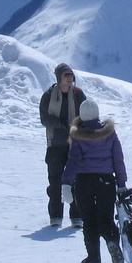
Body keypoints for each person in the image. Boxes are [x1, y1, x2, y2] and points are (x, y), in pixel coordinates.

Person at [61, 99, 128, 263]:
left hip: (84, 182)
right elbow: (118, 159)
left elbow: (73, 161)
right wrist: (121, 183)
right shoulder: (110, 133)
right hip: (106, 181)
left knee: (89, 220)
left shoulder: (78, 135)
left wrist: (66, 183)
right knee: (105, 217)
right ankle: (112, 241)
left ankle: (93, 258)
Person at [39, 63, 86, 227]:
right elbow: (45, 119)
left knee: (77, 180)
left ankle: (77, 216)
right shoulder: (48, 96)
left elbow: (86, 115)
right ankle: (55, 216)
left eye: (71, 75)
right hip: (55, 144)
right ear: (59, 77)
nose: (70, 78)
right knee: (55, 181)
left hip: (75, 144)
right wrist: (62, 125)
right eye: (66, 75)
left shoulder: (79, 95)